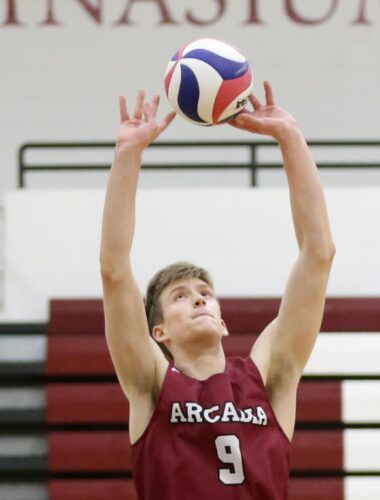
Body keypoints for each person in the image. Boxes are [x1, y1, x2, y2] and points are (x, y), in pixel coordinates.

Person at [99, 81, 335, 499]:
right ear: (160, 333)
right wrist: (127, 156)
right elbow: (115, 271)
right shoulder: (152, 383)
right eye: (180, 296)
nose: (198, 298)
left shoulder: (267, 376)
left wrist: (291, 138)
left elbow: (319, 254)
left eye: (204, 292)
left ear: (223, 321)